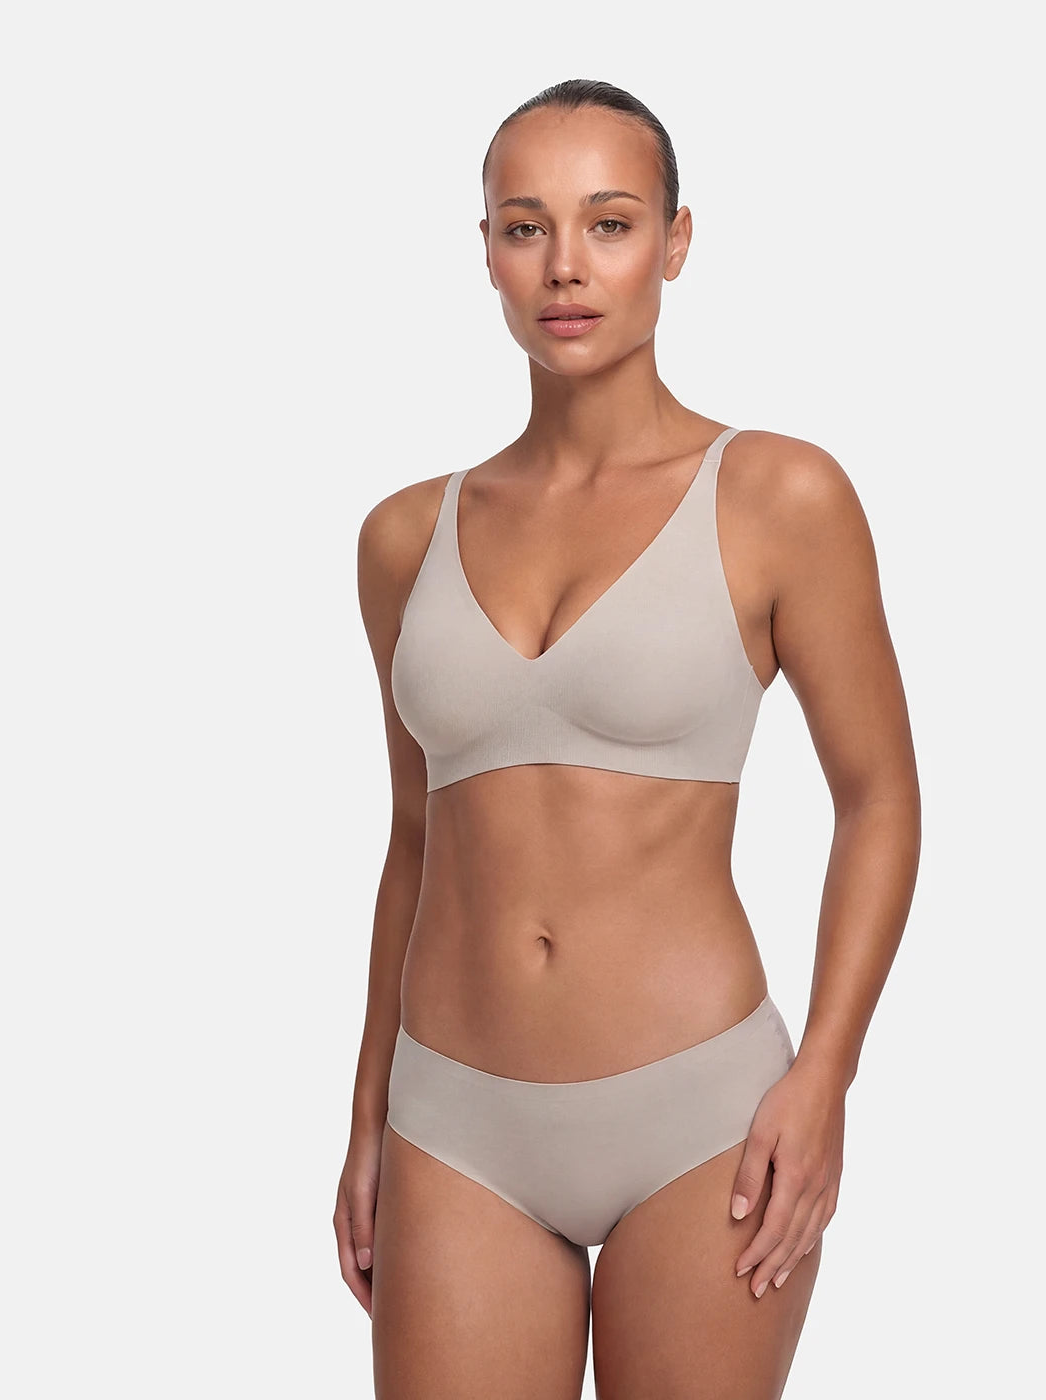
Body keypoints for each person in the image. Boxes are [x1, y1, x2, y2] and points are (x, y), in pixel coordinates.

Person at [334, 77, 921, 1399]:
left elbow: (879, 798)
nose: (566, 265)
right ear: (487, 248)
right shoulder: (403, 537)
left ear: (676, 240)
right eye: (525, 226)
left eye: (609, 222)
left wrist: (826, 1077)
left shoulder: (778, 495)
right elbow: (416, 840)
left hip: (702, 1118)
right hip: (454, 1123)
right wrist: (369, 1113)